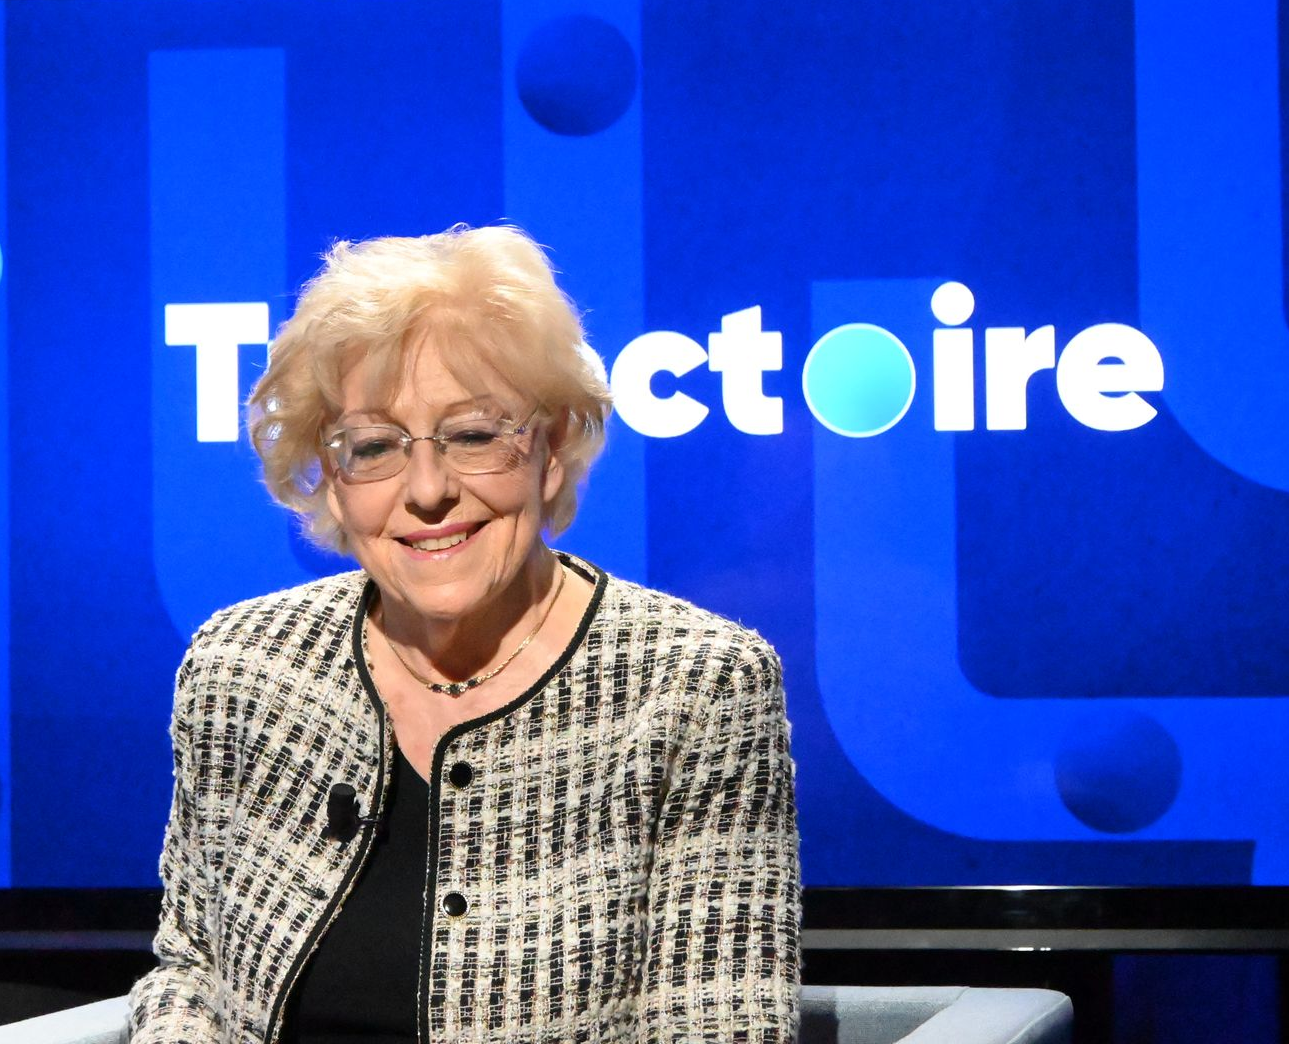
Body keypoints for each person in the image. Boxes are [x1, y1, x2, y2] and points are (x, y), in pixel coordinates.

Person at [128, 225, 801, 1044]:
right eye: (373, 447)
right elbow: (191, 970)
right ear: (332, 482)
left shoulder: (697, 686)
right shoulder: (242, 669)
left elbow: (721, 1023)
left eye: (474, 435)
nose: (427, 490)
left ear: (551, 448)